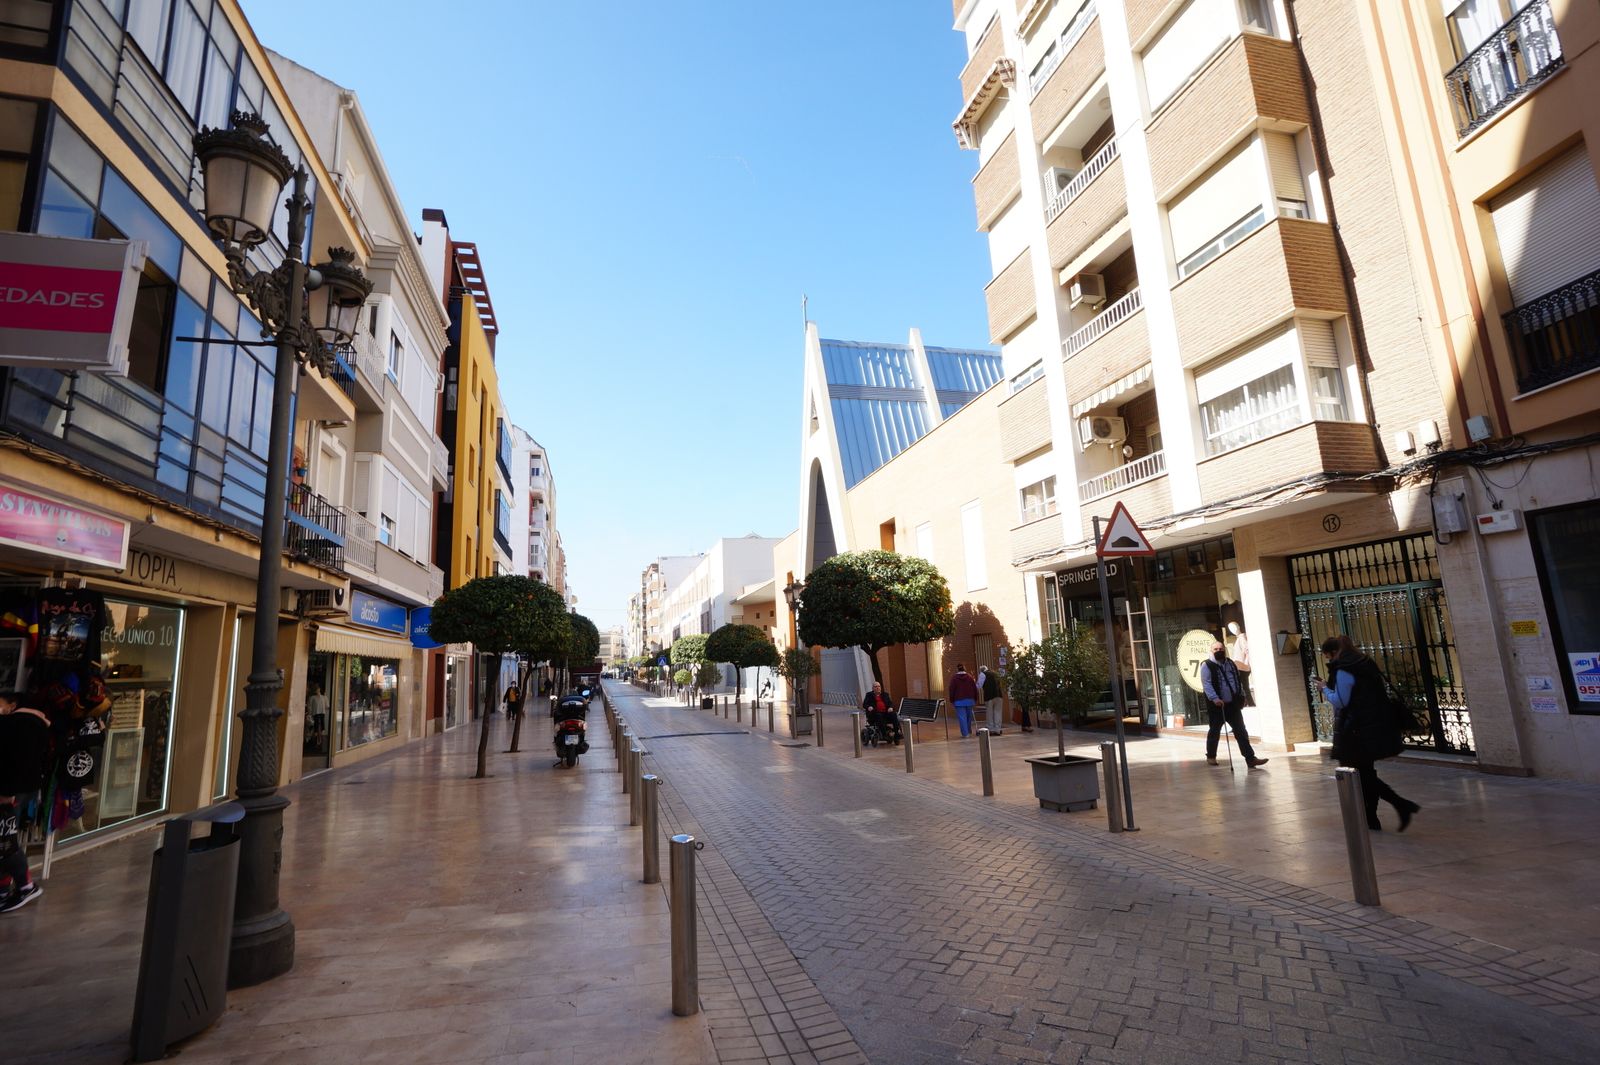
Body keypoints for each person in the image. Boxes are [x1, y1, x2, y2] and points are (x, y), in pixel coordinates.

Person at [1320, 635, 1419, 832]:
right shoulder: (1364, 663)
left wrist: (1324, 689)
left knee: (1357, 774)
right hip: (1372, 726)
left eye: (1328, 656)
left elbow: (1341, 701)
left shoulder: (1345, 668)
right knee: (1366, 773)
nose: (1330, 660)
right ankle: (1374, 817)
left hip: (1355, 729)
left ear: (1334, 652)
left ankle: (1397, 806)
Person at [0, 691, 51, 914]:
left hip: (11, 792)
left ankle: (26, 886)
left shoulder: (18, 725)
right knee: (5, 839)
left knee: (5, 841)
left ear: (13, 705)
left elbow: (12, 761)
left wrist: (6, 791)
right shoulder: (34, 724)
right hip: (22, 789)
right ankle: (5, 888)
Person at [1200, 641, 1268, 768]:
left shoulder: (1230, 663)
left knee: (1241, 731)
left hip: (1233, 705)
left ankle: (1250, 758)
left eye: (1221, 649)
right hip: (1217, 706)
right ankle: (1211, 756)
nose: (1219, 651)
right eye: (1215, 649)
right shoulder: (1206, 665)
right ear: (1211, 651)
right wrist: (1215, 698)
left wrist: (1242, 695)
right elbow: (1206, 684)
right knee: (1214, 731)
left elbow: (1237, 680)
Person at [949, 664, 979, 739]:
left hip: (959, 701)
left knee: (962, 718)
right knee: (969, 717)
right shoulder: (970, 677)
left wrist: (952, 700)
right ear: (964, 669)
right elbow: (975, 688)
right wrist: (975, 698)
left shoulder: (954, 678)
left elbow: (951, 689)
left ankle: (965, 734)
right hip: (970, 700)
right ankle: (968, 731)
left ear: (957, 669)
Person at [1227, 622, 1253, 705]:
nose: (1232, 630)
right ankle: (1248, 702)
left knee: (1244, 686)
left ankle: (1250, 703)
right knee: (1243, 686)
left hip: (1242, 667)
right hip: (1240, 666)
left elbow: (1247, 650)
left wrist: (1246, 664)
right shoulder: (1239, 638)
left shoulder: (1241, 637)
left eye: (1234, 627)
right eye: (1231, 628)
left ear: (1238, 627)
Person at [977, 665, 1003, 735]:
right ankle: (997, 729)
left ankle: (991, 729)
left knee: (989, 713)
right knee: (998, 712)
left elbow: (979, 685)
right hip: (999, 695)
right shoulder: (996, 673)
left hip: (989, 696)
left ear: (981, 670)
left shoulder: (982, 674)